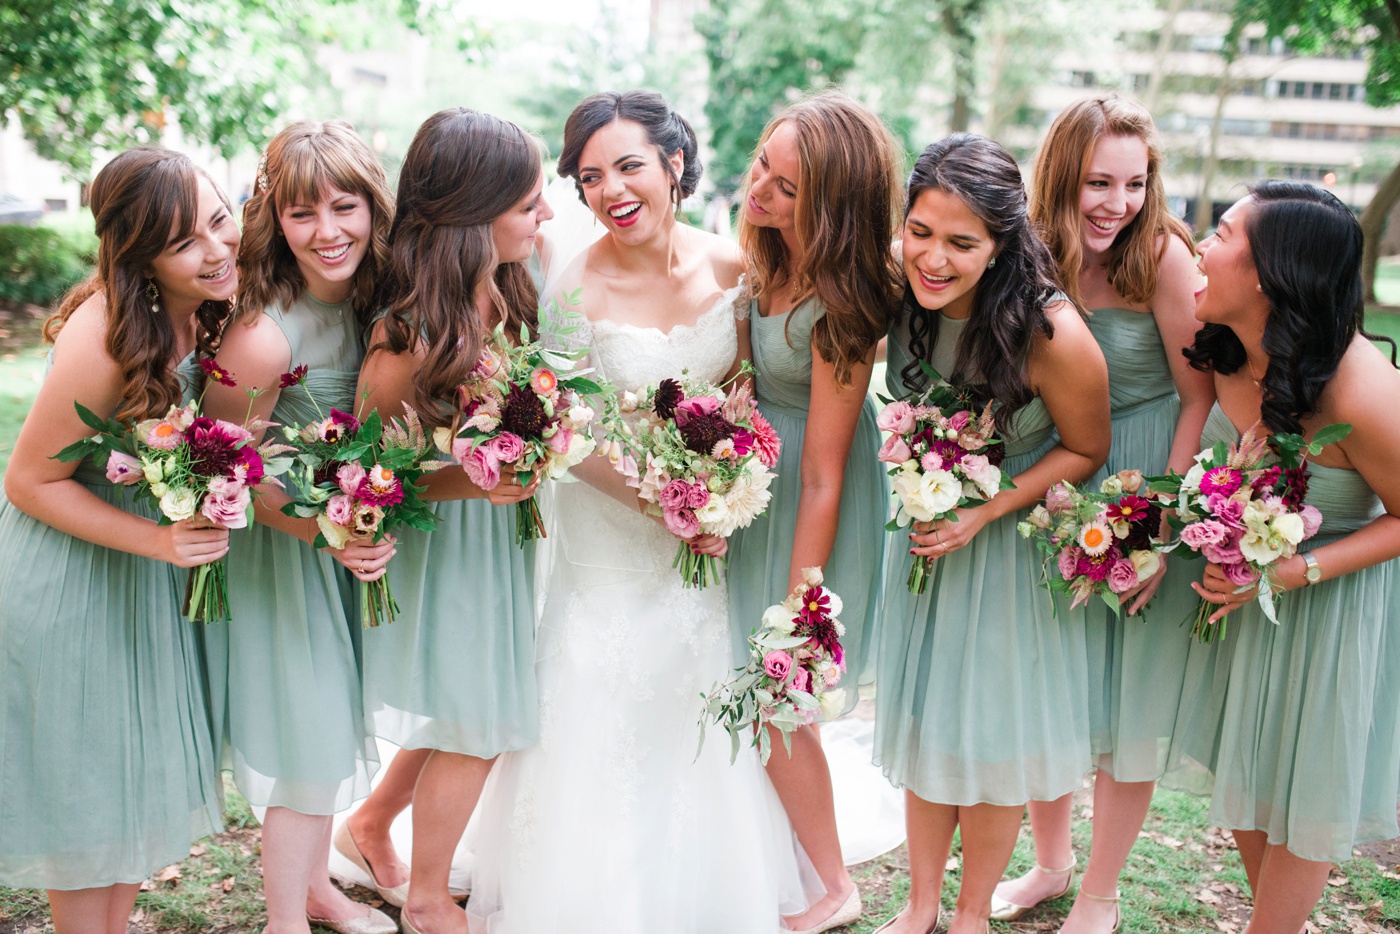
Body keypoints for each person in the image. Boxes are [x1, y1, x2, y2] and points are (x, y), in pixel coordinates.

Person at [464, 89, 813, 934]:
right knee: (590, 692)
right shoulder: (568, 281)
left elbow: (739, 399)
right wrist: (667, 504)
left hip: (700, 549)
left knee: (687, 695)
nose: (611, 190)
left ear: (674, 165)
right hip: (606, 536)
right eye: (589, 176)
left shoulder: (735, 269)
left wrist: (723, 490)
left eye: (628, 166)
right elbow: (563, 429)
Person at [872, 134, 1110, 934]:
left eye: (961, 243)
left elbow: (1087, 449)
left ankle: (971, 914)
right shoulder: (902, 293)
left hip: (1006, 553)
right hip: (926, 541)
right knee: (924, 723)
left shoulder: (1052, 333)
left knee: (992, 740)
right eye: (921, 232)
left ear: (1003, 243)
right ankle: (919, 906)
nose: (932, 258)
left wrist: (985, 508)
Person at [0, 148, 234, 933]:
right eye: (185, 241)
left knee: (132, 778)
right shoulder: (102, 335)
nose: (216, 249)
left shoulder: (197, 306)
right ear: (137, 252)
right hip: (72, 575)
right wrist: (161, 543)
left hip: (137, 571)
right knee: (90, 796)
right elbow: (29, 480)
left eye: (220, 221)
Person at [990, 95, 1208, 932]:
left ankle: (1102, 890)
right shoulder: (1031, 254)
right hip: (1058, 482)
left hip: (1149, 475)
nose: (1117, 202)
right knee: (1052, 679)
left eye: (1134, 182)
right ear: (1060, 176)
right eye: (1097, 183)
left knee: (1129, 696)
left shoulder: (1161, 257)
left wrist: (1156, 531)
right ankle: (1051, 863)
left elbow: (1199, 400)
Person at [1164, 182, 1400, 934]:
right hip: (1248, 608)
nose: (1203, 244)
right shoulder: (1228, 351)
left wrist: (1292, 570)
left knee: (1303, 796)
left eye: (1224, 233)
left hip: (1329, 605)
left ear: (1269, 273)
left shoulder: (1359, 388)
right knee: (1253, 781)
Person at [335, 108, 548, 934]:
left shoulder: (500, 291)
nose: (547, 216)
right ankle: (427, 898)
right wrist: (480, 480)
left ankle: (372, 823)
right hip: (444, 545)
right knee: (479, 721)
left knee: (470, 704)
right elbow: (374, 475)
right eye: (530, 203)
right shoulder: (410, 335)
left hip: (493, 541)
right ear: (473, 210)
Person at [201, 120, 397, 934]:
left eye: (344, 207)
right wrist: (329, 534)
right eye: (301, 215)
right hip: (283, 554)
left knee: (332, 725)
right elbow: (219, 467)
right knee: (309, 743)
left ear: (372, 206)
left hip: (335, 548)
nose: (327, 233)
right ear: (273, 219)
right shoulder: (264, 333)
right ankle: (285, 919)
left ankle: (319, 889)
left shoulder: (367, 300)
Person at [725, 90, 902, 934]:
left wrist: (803, 602)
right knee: (740, 682)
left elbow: (828, 473)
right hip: (757, 487)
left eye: (789, 188)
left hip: (814, 502)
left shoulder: (845, 302)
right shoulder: (763, 256)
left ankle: (835, 885)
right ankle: (775, 850)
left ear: (832, 208)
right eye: (766, 163)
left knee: (776, 688)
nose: (762, 189)